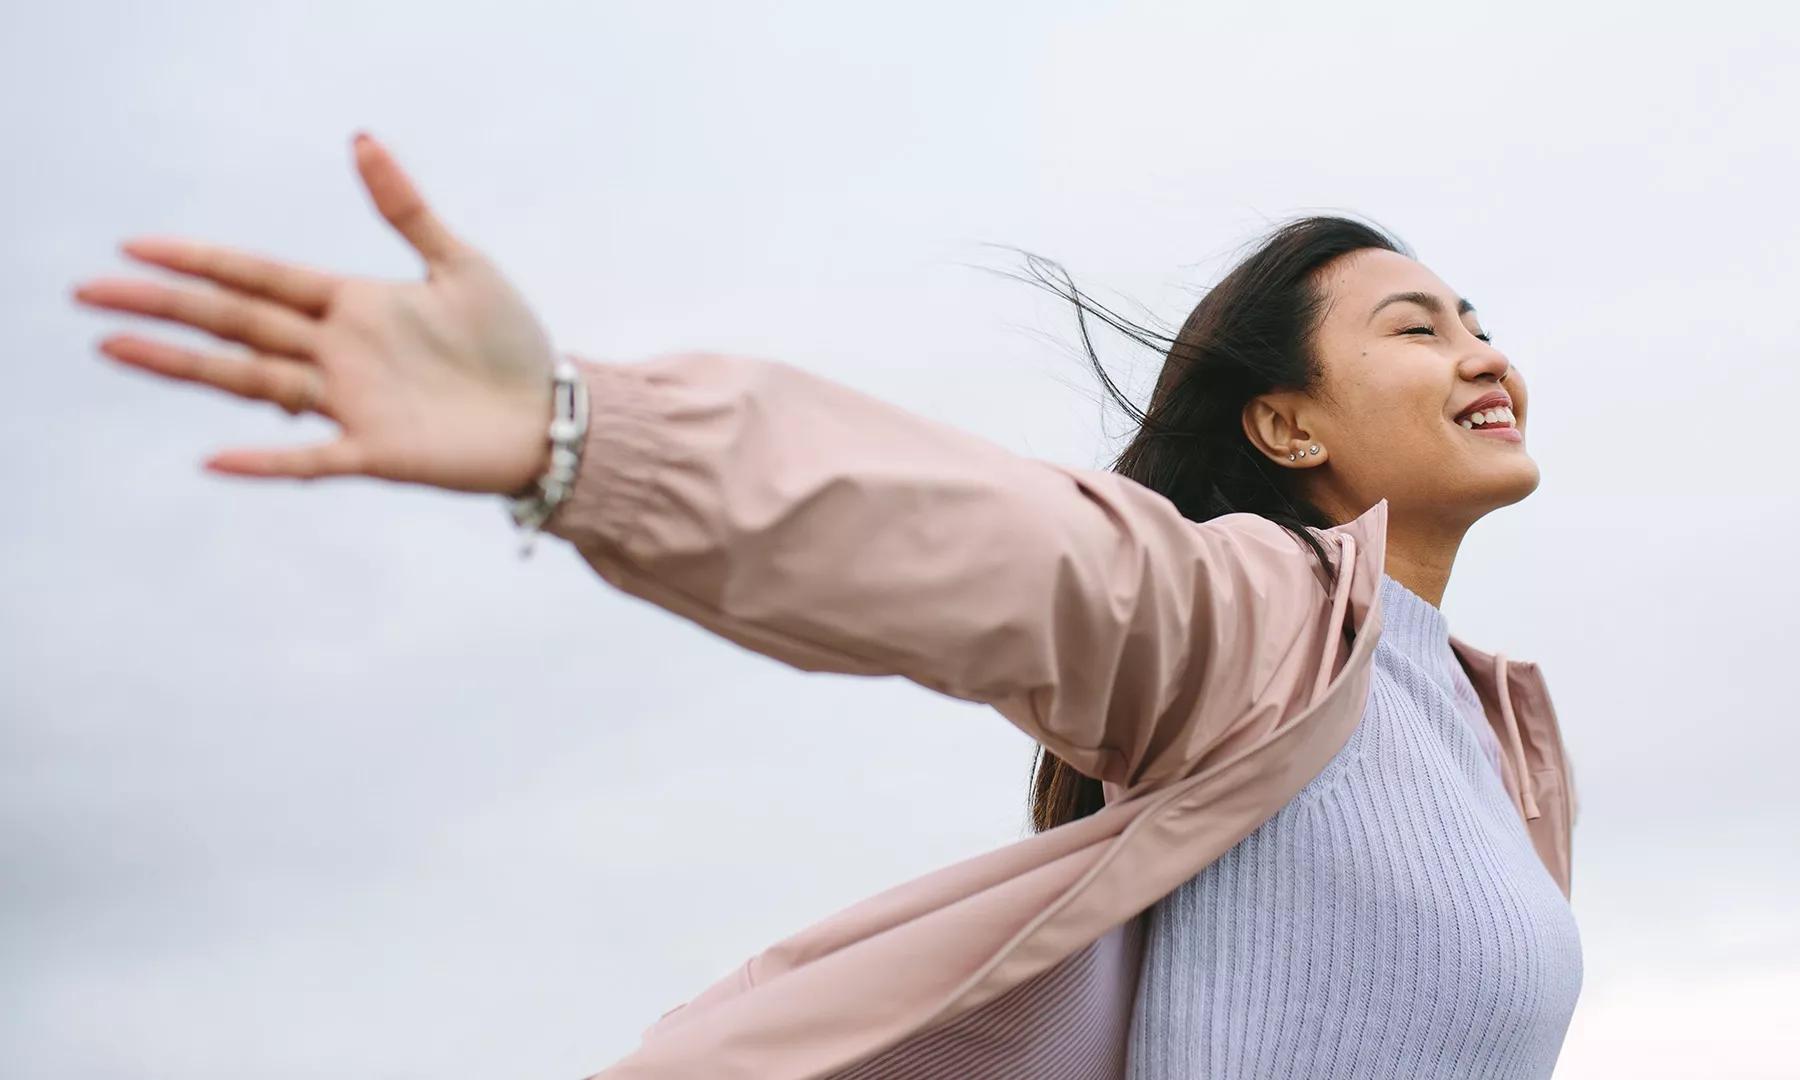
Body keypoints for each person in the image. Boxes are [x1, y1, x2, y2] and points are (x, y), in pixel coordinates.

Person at [73, 133, 1582, 1079]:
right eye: (1416, 326)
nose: (1480, 354)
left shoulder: (1497, 744)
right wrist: (585, 437)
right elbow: (997, 550)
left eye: (1482, 323)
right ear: (1286, 428)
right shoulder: (1262, 632)